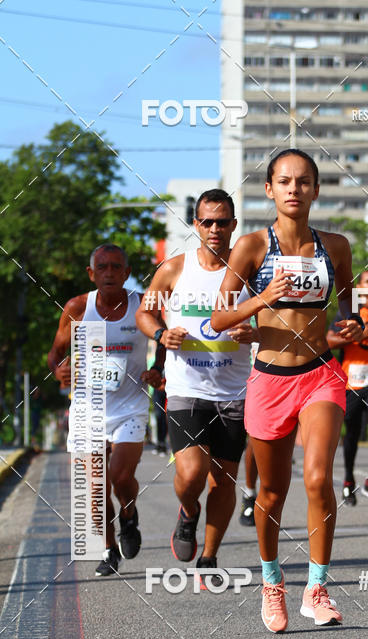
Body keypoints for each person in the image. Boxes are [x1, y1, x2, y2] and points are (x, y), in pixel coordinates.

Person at [211, 148, 364, 633]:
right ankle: (272, 583)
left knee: (318, 480)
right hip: (270, 380)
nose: (294, 189)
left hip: (321, 375)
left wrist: (353, 324)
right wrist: (262, 299)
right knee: (272, 493)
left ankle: (316, 588)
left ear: (316, 190)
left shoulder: (335, 246)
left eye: (303, 181)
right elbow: (219, 318)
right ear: (269, 190)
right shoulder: (252, 247)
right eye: (284, 181)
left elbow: (349, 304)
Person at [137, 189, 255, 579]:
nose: (214, 229)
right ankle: (189, 511)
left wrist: (253, 333)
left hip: (234, 392)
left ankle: (209, 557)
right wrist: (160, 334)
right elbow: (145, 313)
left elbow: (274, 320)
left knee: (223, 480)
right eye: (207, 222)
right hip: (186, 389)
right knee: (191, 473)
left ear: (233, 225)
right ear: (196, 224)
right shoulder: (174, 269)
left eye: (222, 222)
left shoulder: (249, 270)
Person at [47, 243, 161, 576]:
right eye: (102, 267)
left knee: (121, 477)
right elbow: (55, 353)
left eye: (116, 267)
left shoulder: (142, 306)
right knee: (94, 488)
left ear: (127, 273)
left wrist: (158, 369)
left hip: (130, 406)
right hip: (87, 408)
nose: (109, 273)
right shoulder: (78, 308)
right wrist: (58, 370)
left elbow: (164, 339)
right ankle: (110, 549)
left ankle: (129, 515)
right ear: (91, 273)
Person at [327, 269, 368, 505]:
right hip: (350, 383)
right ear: (359, 287)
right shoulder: (348, 313)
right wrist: (359, 335)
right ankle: (348, 481)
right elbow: (329, 341)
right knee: (352, 433)